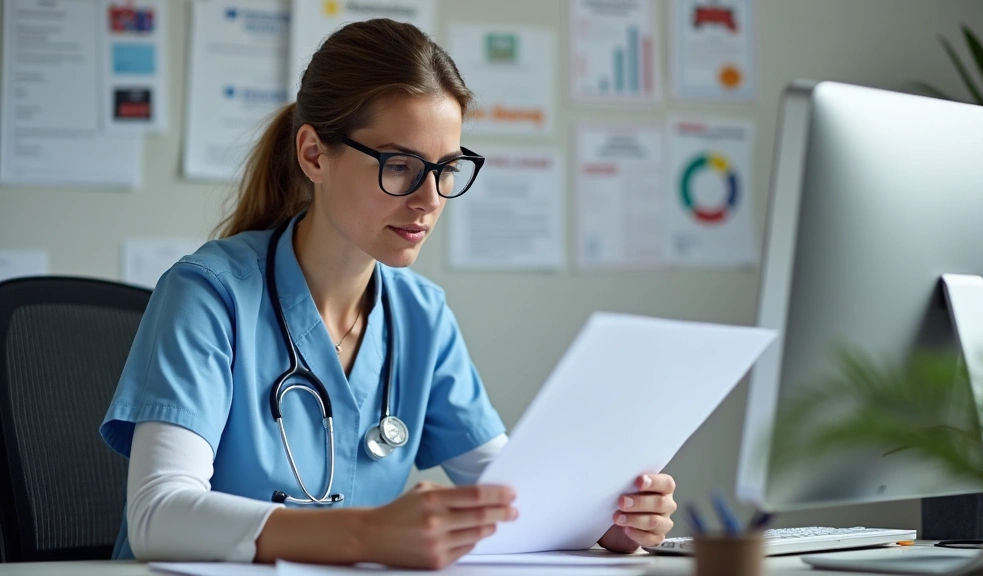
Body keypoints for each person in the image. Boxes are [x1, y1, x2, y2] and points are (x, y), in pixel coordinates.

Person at [99, 19, 677, 569]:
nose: (429, 198)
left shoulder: (420, 314)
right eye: (400, 165)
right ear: (314, 154)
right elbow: (159, 516)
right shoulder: (208, 294)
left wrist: (603, 520)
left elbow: (509, 494)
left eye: (446, 168)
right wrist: (367, 534)